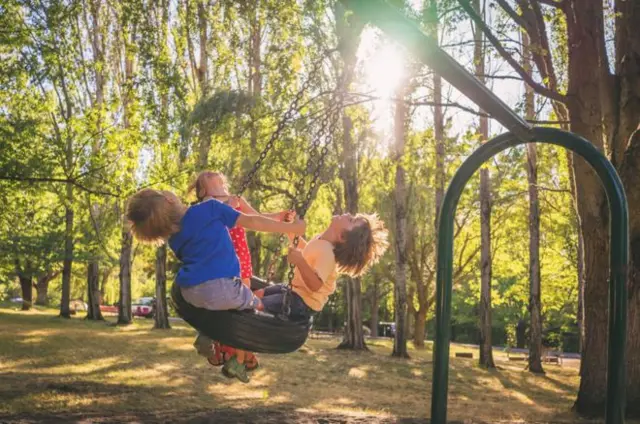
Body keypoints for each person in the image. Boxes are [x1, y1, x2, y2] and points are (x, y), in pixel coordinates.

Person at [126, 188, 305, 382]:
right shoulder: (210, 208)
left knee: (220, 308)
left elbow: (202, 226)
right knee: (258, 306)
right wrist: (292, 229)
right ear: (169, 199)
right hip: (222, 287)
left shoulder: (174, 238)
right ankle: (237, 357)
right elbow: (252, 221)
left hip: (189, 292)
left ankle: (209, 335)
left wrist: (225, 207)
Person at [189, 171, 293, 374]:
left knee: (243, 308)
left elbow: (257, 218)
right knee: (221, 303)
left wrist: (279, 219)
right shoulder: (207, 205)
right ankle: (213, 341)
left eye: (221, 182)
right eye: (212, 182)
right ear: (203, 191)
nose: (219, 184)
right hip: (220, 261)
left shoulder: (236, 200)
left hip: (241, 262)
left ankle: (238, 355)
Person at [256, 212, 389, 321]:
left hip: (303, 302)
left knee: (256, 304)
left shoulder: (327, 254)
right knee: (258, 294)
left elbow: (315, 284)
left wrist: (300, 261)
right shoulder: (321, 240)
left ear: (342, 236)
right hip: (295, 291)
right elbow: (308, 250)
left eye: (351, 220)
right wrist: (291, 232)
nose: (348, 214)